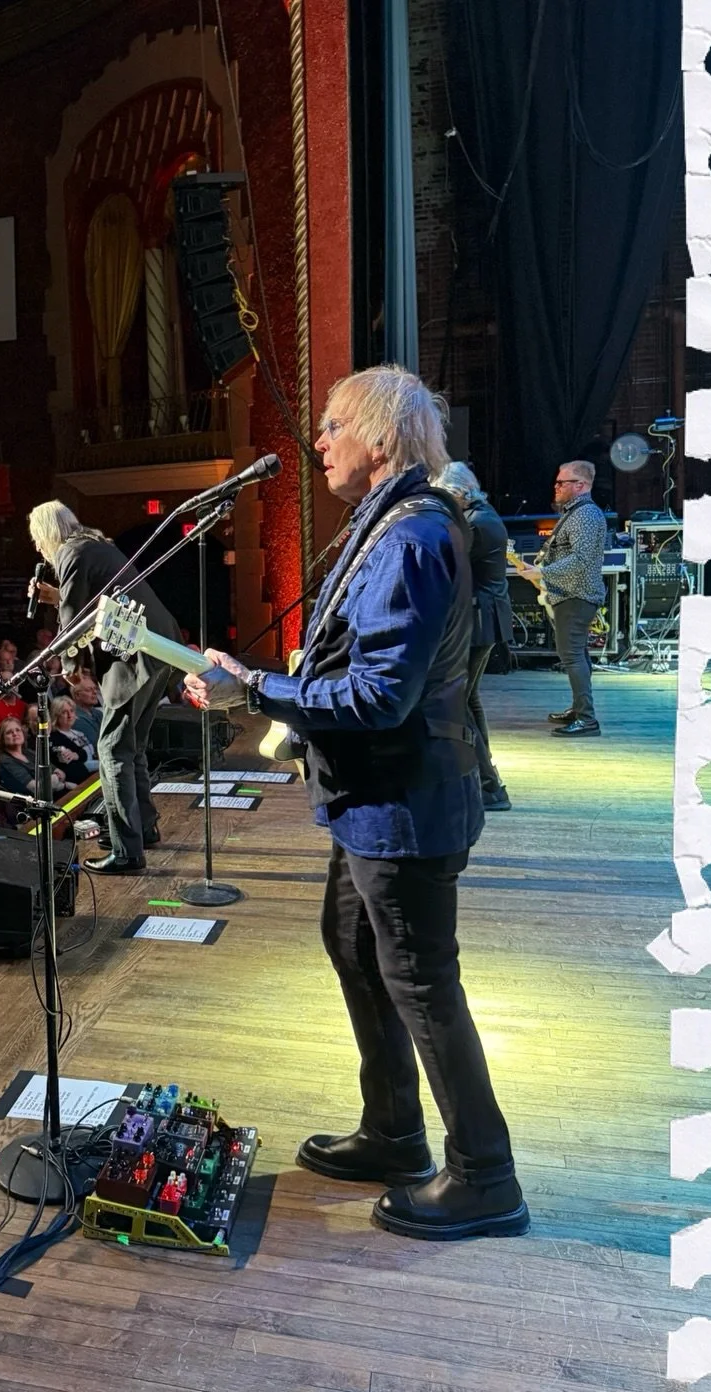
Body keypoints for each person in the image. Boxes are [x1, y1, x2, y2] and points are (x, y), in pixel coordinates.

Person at [185, 363, 523, 1241]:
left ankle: (487, 1176)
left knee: (421, 982)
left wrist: (255, 689)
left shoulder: (409, 537)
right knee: (354, 948)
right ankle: (394, 1133)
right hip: (374, 798)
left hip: (403, 803)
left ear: (379, 438)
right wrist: (257, 686)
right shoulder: (389, 524)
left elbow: (379, 696)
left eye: (332, 426)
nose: (319, 442)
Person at [28, 500, 179, 875]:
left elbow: (74, 619)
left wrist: (69, 666)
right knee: (131, 746)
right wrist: (55, 594)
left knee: (111, 749)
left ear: (46, 534)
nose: (37, 549)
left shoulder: (69, 553)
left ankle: (127, 851)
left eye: (36, 539)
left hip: (136, 654)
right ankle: (143, 829)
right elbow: (98, 602)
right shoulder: (94, 545)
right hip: (159, 646)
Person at [432, 461, 512, 809]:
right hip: (485, 617)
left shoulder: (477, 524)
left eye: (446, 496)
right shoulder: (484, 516)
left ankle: (488, 785)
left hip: (479, 620)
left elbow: (446, 561)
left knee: (460, 701)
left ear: (459, 492)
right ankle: (486, 774)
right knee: (470, 699)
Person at [513, 460, 608, 737]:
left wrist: (542, 572)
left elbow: (580, 559)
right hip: (571, 594)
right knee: (577, 655)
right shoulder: (576, 513)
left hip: (576, 595)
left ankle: (587, 719)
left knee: (572, 656)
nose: (556, 487)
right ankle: (580, 709)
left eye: (562, 483)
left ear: (580, 485)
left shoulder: (586, 516)